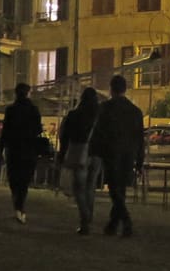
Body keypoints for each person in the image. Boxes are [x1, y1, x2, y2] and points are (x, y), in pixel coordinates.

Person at [91, 75, 145, 237]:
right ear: (125, 89)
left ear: (111, 89)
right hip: (129, 154)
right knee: (120, 188)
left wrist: (95, 151)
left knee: (115, 189)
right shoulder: (135, 111)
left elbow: (98, 132)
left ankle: (125, 221)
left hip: (111, 152)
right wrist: (140, 159)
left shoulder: (105, 108)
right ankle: (113, 224)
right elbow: (139, 138)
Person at [58, 87, 103, 235]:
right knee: (91, 187)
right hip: (96, 154)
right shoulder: (99, 116)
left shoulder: (74, 115)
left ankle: (85, 219)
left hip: (79, 154)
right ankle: (87, 219)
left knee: (79, 189)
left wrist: (62, 154)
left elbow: (64, 137)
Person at [0, 83, 43, 224]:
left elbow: (5, 131)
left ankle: (18, 207)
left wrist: (0, 149)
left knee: (14, 179)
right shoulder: (34, 110)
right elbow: (38, 130)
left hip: (13, 148)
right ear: (28, 93)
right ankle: (20, 207)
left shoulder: (11, 110)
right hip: (29, 149)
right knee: (24, 180)